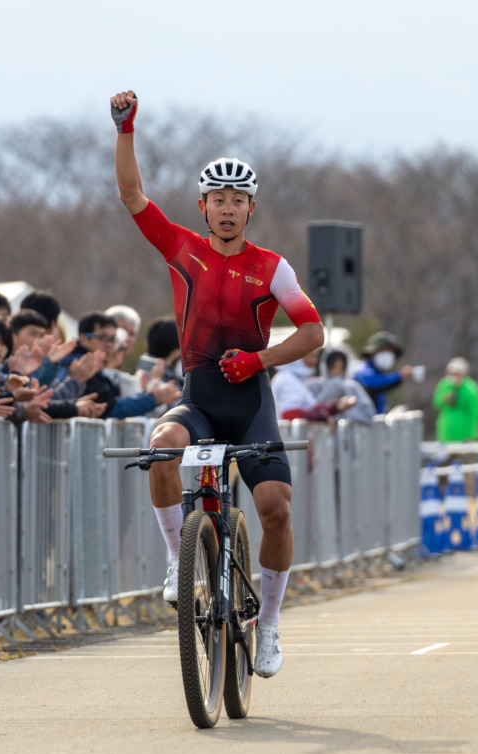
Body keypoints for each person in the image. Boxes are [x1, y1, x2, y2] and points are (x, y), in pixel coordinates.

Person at [113, 89, 324, 678]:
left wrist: (260, 361)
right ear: (202, 206)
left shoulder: (272, 267)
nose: (228, 208)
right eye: (218, 199)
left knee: (275, 508)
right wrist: (126, 129)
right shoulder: (182, 249)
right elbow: (133, 196)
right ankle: (179, 564)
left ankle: (272, 627)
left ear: (251, 209)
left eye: (239, 199)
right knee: (161, 450)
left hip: (250, 399)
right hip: (200, 397)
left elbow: (313, 333)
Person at [56, 311, 179, 419]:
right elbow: (107, 407)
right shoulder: (76, 364)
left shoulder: (96, 366)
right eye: (102, 337)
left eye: (112, 339)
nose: (109, 345)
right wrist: (152, 399)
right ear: (83, 338)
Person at [432, 357, 478, 494]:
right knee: (443, 473)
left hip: (466, 439)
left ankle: (470, 503)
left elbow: (475, 414)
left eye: (457, 373)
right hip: (446, 438)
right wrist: (445, 397)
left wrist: (471, 435)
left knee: (468, 474)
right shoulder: (444, 385)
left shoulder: (471, 389)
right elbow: (436, 402)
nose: (454, 376)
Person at [353, 331, 422, 414]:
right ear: (372, 353)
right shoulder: (362, 371)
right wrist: (400, 375)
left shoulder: (380, 373)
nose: (387, 355)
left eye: (390, 352)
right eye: (383, 350)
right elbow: (376, 382)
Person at [270, 357, 356, 421]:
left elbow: (313, 407)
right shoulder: (286, 380)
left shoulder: (295, 380)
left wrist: (337, 405)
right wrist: (322, 417)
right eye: (309, 354)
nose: (314, 360)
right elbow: (290, 414)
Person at [308, 349, 376, 424]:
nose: (337, 372)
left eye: (341, 368)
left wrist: (340, 414)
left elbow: (369, 414)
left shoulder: (352, 387)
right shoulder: (314, 385)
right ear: (326, 367)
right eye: (333, 368)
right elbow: (309, 410)